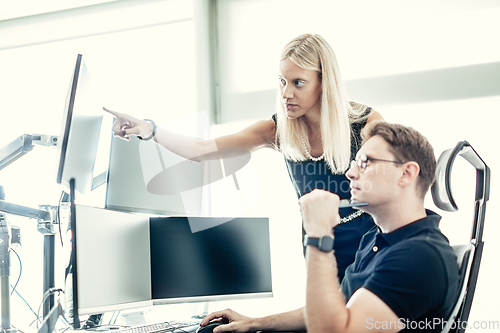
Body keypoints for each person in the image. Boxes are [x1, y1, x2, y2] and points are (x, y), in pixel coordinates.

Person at [104, 33, 384, 281]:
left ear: (324, 82)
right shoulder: (277, 130)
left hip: (370, 242)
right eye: (282, 82)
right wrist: (149, 130)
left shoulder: (365, 123)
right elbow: (200, 151)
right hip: (319, 245)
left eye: (298, 83)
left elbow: (394, 187)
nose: (286, 93)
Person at [199, 122, 460, 333]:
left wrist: (319, 233)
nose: (350, 172)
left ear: (406, 173)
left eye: (365, 162)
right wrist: (253, 323)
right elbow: (332, 309)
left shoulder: (420, 256)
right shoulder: (376, 239)